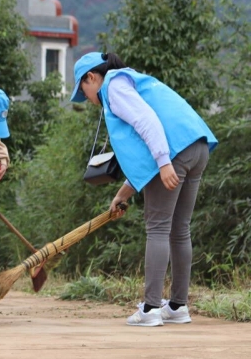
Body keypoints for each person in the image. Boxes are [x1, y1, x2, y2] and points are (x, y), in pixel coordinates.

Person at [71, 52, 218, 327]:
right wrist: (122, 194)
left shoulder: (113, 86)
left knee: (159, 228)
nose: (88, 99)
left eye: (83, 90)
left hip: (174, 152)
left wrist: (164, 162)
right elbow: (145, 158)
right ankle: (177, 306)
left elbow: (147, 122)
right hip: (196, 146)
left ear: (91, 77)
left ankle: (150, 309)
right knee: (179, 229)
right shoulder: (133, 81)